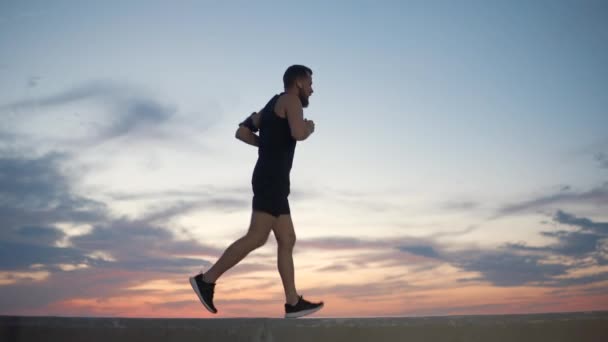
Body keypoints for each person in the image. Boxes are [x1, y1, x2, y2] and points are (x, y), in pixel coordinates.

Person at [190, 65, 324, 318]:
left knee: (287, 239)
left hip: (269, 179)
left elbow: (242, 131)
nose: (312, 89)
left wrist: (267, 144)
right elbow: (297, 133)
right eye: (309, 83)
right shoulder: (291, 100)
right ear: (297, 82)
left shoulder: (270, 106)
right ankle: (206, 280)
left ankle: (293, 302)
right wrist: (309, 127)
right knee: (256, 237)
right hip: (272, 179)